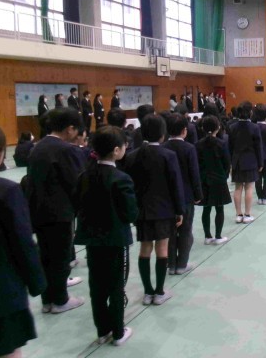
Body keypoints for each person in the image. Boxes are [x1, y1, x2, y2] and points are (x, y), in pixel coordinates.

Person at [73, 126, 137, 346]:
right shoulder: (121, 178)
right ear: (117, 150)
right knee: (116, 285)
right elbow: (130, 212)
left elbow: (77, 204)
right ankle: (118, 332)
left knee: (97, 285)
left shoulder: (84, 176)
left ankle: (102, 330)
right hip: (115, 239)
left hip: (92, 239)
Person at [26, 107, 85, 314]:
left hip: (38, 211)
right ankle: (60, 300)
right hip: (60, 212)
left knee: (46, 256)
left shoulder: (38, 147)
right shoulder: (65, 150)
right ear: (70, 129)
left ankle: (48, 300)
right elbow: (76, 182)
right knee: (60, 257)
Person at [124, 115, 184, 306]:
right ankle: (159, 291)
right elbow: (175, 185)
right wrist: (180, 210)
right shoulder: (168, 155)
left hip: (141, 210)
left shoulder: (132, 156)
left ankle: (147, 291)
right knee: (162, 248)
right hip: (164, 209)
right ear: (162, 134)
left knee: (145, 248)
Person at [0, 125, 47, 358]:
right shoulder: (6, 192)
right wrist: (37, 283)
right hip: (3, 292)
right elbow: (22, 242)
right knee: (9, 350)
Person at [162, 114, 203, 275]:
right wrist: (198, 194)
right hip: (186, 195)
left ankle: (171, 264)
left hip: (167, 196)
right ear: (184, 131)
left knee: (170, 231)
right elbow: (194, 173)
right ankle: (182, 264)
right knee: (186, 230)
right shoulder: (189, 148)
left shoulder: (163, 148)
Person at [196, 116, 231, 245]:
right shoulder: (222, 144)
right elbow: (227, 163)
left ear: (202, 128)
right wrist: (224, 176)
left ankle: (207, 236)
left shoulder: (198, 144)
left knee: (206, 209)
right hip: (219, 179)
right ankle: (218, 236)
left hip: (204, 180)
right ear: (218, 128)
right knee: (219, 209)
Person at [228, 101, 263, 224]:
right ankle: (247, 214)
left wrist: (231, 163)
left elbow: (230, 147)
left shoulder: (232, 127)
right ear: (250, 112)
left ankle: (238, 214)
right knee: (249, 187)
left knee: (238, 188)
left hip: (237, 161)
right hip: (251, 160)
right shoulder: (255, 127)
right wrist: (261, 163)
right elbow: (258, 147)